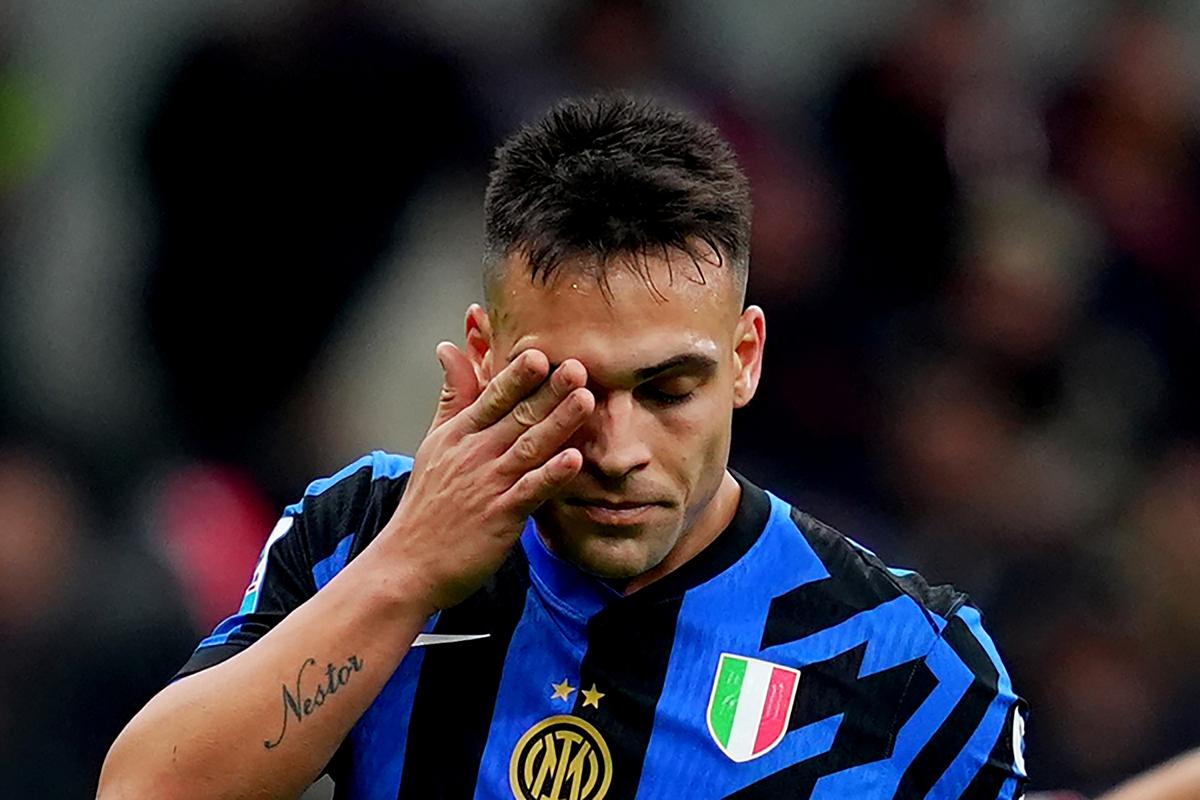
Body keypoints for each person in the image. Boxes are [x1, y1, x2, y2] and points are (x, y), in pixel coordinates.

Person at [98, 95, 1027, 799]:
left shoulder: (912, 663)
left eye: (669, 390)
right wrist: (409, 570)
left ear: (745, 358)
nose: (618, 450)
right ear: (485, 355)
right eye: (565, 392)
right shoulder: (364, 535)